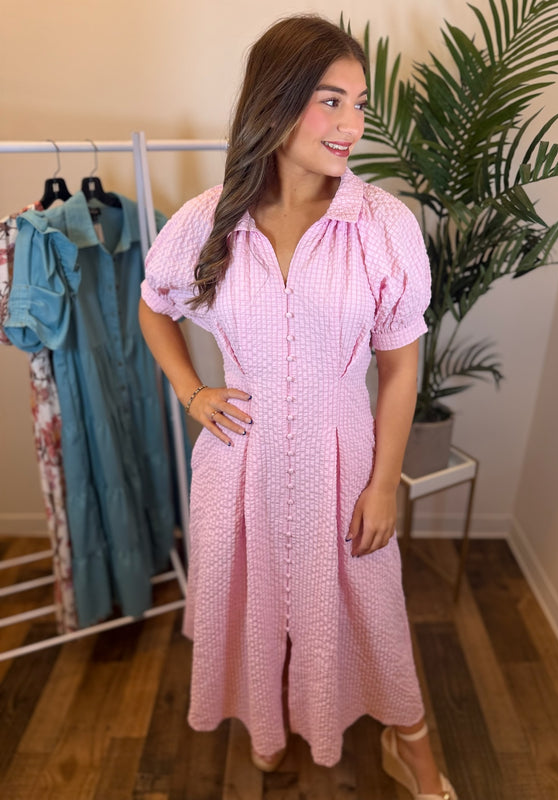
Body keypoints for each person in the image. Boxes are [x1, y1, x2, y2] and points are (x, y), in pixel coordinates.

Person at [139, 14, 457, 800]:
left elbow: (400, 370)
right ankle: (269, 725)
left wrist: (384, 485)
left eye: (359, 104)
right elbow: (154, 305)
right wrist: (192, 391)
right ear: (276, 102)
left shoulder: (380, 227)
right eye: (331, 101)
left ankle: (413, 749)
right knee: (251, 603)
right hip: (237, 462)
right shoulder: (210, 219)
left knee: (370, 611)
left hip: (342, 461)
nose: (352, 124)